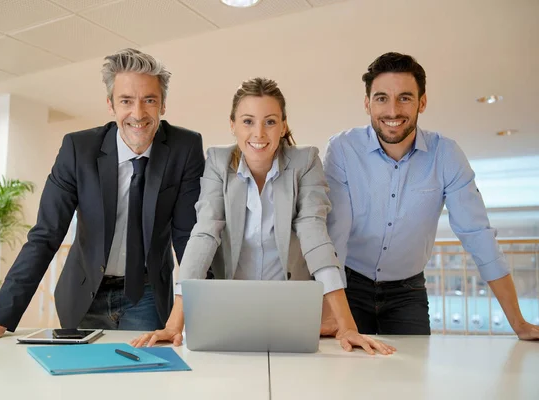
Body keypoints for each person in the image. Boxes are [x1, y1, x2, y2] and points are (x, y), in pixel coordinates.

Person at [0, 48, 205, 338]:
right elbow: (45, 235)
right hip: (83, 292)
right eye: (126, 101)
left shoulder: (184, 148)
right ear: (110, 105)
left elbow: (189, 238)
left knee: (142, 376)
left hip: (147, 294)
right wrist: (0, 317)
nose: (138, 114)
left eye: (149, 100)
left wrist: (194, 317)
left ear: (162, 105)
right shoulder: (78, 150)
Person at [131, 77, 395, 355]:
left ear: (283, 126)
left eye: (270, 121)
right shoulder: (218, 163)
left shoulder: (304, 162)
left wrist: (347, 326)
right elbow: (204, 233)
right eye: (247, 121)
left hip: (291, 313)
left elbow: (314, 233)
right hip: (232, 312)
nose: (259, 133)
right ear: (232, 124)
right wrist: (174, 325)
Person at [323, 52, 539, 338]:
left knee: (412, 379)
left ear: (421, 102)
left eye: (405, 97)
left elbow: (477, 235)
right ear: (367, 104)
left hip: (407, 292)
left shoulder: (446, 155)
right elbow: (334, 234)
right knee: (344, 375)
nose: (392, 111)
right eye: (381, 98)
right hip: (348, 286)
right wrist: (328, 311)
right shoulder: (342, 149)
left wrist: (518, 322)